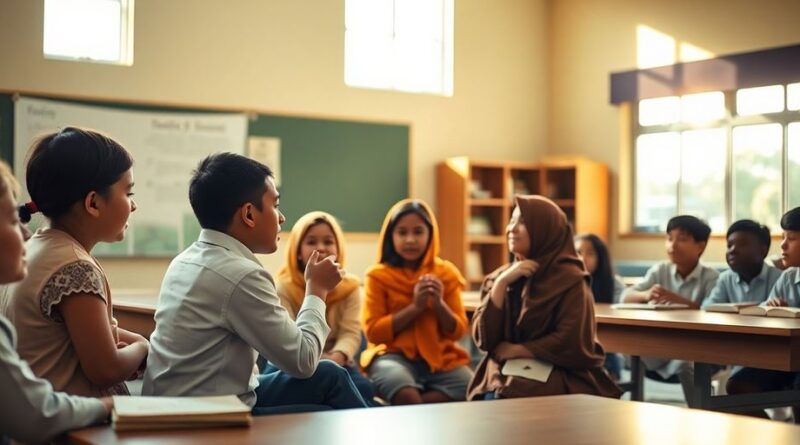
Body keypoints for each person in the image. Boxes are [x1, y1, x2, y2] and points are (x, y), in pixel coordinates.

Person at [143, 153, 368, 414]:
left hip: (177, 401)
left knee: (330, 373)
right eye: (275, 205)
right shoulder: (241, 275)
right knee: (326, 413)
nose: (281, 217)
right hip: (207, 415)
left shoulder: (184, 260)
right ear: (249, 214)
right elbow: (304, 360)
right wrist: (316, 290)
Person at [3, 128, 148, 397]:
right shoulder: (75, 268)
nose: (133, 205)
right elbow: (105, 370)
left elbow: (83, 331)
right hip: (75, 431)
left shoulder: (36, 248)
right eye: (128, 193)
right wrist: (142, 346)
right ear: (93, 203)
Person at [0, 160, 112, 444]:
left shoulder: (44, 248)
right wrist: (108, 406)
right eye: (13, 222)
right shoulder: (74, 263)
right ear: (93, 202)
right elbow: (37, 414)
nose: (25, 234)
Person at [467, 195, 621, 400]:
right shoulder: (499, 278)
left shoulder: (570, 280)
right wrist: (501, 284)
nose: (512, 228)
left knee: (514, 397)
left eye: (523, 222)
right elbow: (485, 340)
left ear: (545, 230)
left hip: (559, 369)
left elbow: (572, 340)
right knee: (496, 392)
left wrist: (521, 350)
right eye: (511, 220)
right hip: (504, 368)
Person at [361, 199, 473, 405]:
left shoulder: (446, 274)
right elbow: (373, 332)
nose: (410, 240)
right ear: (390, 237)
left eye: (418, 232)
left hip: (441, 359)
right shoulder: (377, 276)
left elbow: (458, 331)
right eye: (402, 232)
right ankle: (410, 404)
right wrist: (416, 307)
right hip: (393, 356)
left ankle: (408, 407)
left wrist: (438, 304)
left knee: (472, 386)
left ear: (431, 235)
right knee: (403, 390)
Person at [275, 211, 375, 401]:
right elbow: (287, 340)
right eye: (311, 242)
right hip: (293, 361)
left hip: (338, 359)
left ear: (338, 249)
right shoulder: (283, 287)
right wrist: (318, 360)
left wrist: (336, 358)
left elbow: (351, 333)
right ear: (297, 251)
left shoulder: (351, 286)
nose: (321, 248)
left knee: (364, 388)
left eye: (328, 242)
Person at [621, 215, 719, 407]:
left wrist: (678, 301)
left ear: (701, 246)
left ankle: (701, 413)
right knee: (630, 351)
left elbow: (711, 312)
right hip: (660, 345)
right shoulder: (660, 270)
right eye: (669, 238)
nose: (672, 245)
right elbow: (624, 297)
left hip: (695, 347)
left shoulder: (711, 277)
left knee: (687, 364)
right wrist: (646, 294)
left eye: (682, 239)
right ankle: (634, 407)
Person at [726, 208, 800, 420]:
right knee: (738, 385)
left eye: (792, 238)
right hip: (784, 358)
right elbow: (763, 313)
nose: (783, 245)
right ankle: (775, 435)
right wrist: (771, 310)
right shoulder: (788, 277)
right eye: (783, 236)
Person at [574, 233, 625, 380]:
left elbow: (624, 306)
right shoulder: (563, 282)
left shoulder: (613, 283)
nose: (583, 258)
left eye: (590, 253)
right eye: (578, 252)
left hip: (606, 347)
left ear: (600, 258)